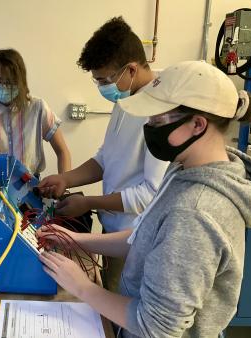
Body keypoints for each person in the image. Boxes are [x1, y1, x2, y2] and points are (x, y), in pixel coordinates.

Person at [38, 60, 251, 337]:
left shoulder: (195, 212)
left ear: (197, 124)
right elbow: (147, 237)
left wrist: (82, 287)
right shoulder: (186, 170)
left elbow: (155, 326)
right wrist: (76, 240)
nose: (149, 127)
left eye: (158, 120)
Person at [37, 17, 169, 289]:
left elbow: (150, 194)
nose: (101, 88)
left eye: (103, 80)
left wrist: (89, 203)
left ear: (131, 70)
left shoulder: (161, 112)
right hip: (113, 231)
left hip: (136, 236)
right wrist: (67, 179)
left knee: (122, 315)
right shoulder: (127, 98)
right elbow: (105, 158)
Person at [0, 48, 71, 175]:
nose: (4, 87)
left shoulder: (38, 108)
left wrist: (65, 185)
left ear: (20, 82)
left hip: (30, 184)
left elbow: (62, 151)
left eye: (10, 82)